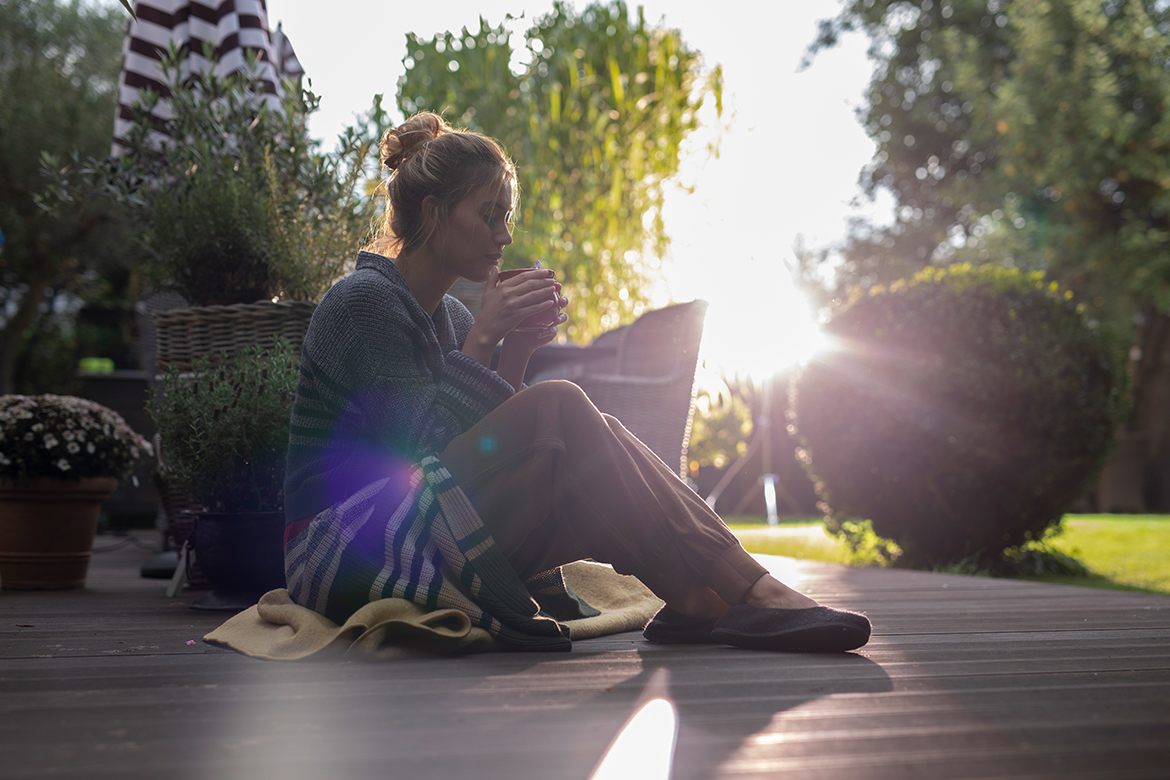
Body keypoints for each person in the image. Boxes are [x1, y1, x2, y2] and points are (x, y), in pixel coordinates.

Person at [282, 112, 870, 653]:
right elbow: (412, 463)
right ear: (434, 213)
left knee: (590, 439)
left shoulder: (451, 317)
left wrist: (515, 350)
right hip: (344, 546)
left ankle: (698, 600)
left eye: (505, 218)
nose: (504, 235)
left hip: (423, 526)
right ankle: (750, 589)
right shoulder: (365, 303)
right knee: (559, 404)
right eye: (489, 215)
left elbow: (479, 451)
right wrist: (485, 343)